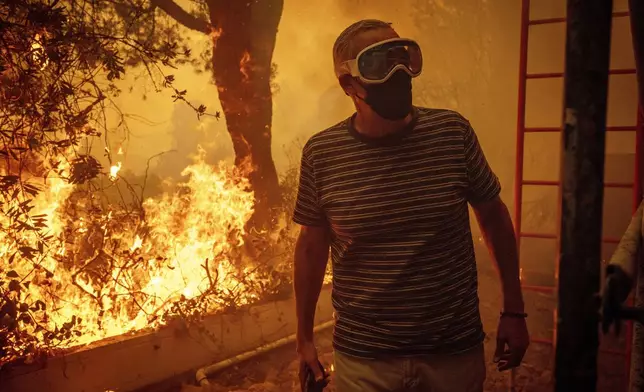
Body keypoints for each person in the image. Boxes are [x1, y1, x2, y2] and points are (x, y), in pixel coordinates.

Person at [292, 19, 529, 392]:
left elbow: (494, 218)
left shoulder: (452, 133)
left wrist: (514, 310)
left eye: (402, 57)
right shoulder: (323, 154)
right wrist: (304, 338)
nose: (399, 73)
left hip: (453, 356)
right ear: (349, 84)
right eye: (379, 63)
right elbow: (311, 246)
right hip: (364, 363)